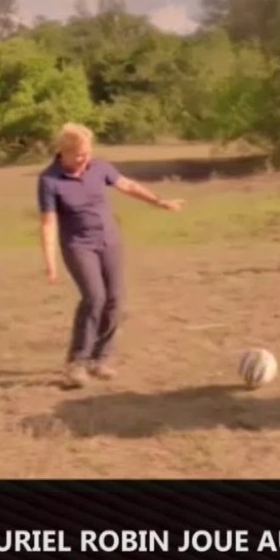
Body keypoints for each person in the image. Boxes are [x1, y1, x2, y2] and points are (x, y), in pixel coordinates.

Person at [37, 122, 186, 388]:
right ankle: (76, 363)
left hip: (110, 241)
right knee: (95, 298)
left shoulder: (100, 167)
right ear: (64, 152)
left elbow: (127, 185)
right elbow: (48, 224)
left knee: (116, 299)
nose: (86, 158)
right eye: (80, 154)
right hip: (78, 245)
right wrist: (50, 264)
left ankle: (100, 358)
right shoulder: (50, 180)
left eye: (88, 152)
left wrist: (158, 201)